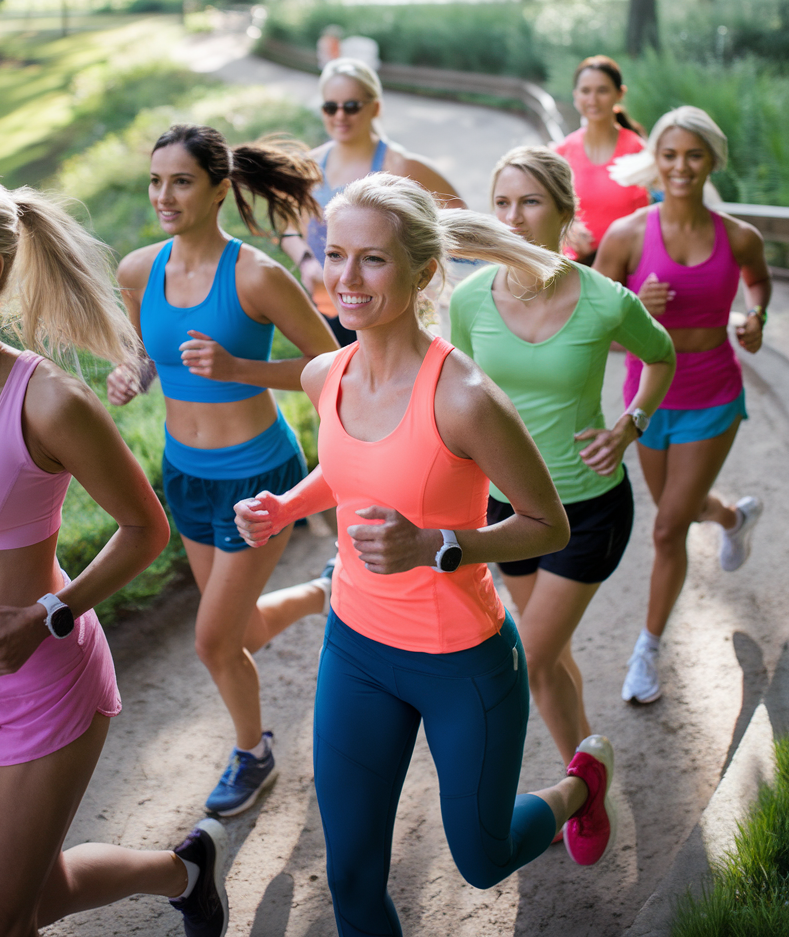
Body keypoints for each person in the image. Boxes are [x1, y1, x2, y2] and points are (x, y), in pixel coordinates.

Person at [235, 172, 619, 937]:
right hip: (356, 649)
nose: (345, 279)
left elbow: (548, 526)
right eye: (334, 255)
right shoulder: (325, 374)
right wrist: (287, 505)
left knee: (481, 857)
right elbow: (347, 470)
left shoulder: (465, 396)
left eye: (371, 260)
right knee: (349, 875)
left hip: (460, 659)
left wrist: (435, 544)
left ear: (420, 272)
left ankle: (582, 783)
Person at [0, 170, 229, 937]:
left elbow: (148, 529)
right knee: (33, 900)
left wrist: (47, 614)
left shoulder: (46, 402)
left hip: (39, 677)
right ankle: (187, 869)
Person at [106, 125, 338, 816]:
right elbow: (153, 351)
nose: (163, 195)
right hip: (186, 476)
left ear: (217, 188)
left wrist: (243, 370)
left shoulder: (257, 276)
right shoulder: (137, 271)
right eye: (155, 181)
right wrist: (135, 372)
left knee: (211, 640)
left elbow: (333, 368)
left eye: (179, 181)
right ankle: (323, 595)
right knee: (234, 632)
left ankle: (252, 751)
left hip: (256, 478)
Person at [449, 147, 675, 784]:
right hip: (507, 510)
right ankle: (589, 760)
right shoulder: (469, 301)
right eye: (501, 202)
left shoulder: (606, 301)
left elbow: (661, 357)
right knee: (551, 655)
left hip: (588, 509)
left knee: (531, 660)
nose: (513, 218)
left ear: (565, 212)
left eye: (530, 202)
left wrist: (630, 425)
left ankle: (573, 790)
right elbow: (462, 396)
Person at [595, 106, 771, 703]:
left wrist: (756, 318)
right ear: (655, 161)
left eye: (694, 155)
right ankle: (732, 517)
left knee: (668, 527)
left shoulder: (736, 236)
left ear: (711, 161)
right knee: (685, 510)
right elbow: (594, 330)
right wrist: (637, 308)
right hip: (649, 399)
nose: (681, 167)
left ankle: (646, 651)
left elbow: (758, 278)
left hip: (713, 395)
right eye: (670, 155)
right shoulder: (626, 238)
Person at [280, 56, 466, 345]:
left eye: (351, 106)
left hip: (387, 309)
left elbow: (458, 216)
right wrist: (306, 262)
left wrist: (423, 277)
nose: (340, 115)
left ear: (375, 107)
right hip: (330, 303)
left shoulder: (401, 165)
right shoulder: (308, 166)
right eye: (331, 107)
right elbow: (287, 226)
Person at [555, 56, 649, 263]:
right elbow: (552, 210)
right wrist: (567, 227)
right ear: (575, 95)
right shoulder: (563, 152)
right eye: (586, 91)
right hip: (577, 267)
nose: (593, 100)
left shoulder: (639, 151)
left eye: (602, 91)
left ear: (619, 94)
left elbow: (652, 218)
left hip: (627, 266)